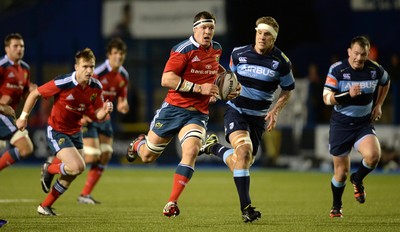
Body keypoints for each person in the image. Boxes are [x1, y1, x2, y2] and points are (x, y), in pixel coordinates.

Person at [126, 11, 238, 217]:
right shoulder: (182, 50)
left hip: (196, 114)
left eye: (211, 28)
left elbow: (214, 68)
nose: (207, 32)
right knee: (148, 156)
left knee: (192, 151)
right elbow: (166, 79)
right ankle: (138, 143)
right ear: (195, 29)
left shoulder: (216, 49)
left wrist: (228, 82)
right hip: (173, 110)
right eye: (203, 28)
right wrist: (200, 88)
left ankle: (171, 202)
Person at [199, 16, 295, 222]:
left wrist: (276, 110)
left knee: (242, 162)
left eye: (267, 34)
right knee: (244, 152)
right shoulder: (238, 53)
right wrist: (218, 91)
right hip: (237, 111)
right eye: (259, 32)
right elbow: (228, 79)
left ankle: (213, 147)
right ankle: (247, 208)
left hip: (258, 118)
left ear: (274, 38)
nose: (261, 37)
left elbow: (288, 90)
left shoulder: (282, 63)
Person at [16, 48, 113, 216]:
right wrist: (23, 117)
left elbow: (97, 114)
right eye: (85, 66)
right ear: (76, 67)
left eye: (92, 66)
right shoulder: (63, 82)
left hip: (76, 132)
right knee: (77, 166)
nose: (89, 70)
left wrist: (105, 111)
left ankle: (44, 206)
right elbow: (34, 94)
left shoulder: (96, 86)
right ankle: (49, 168)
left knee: (74, 172)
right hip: (57, 131)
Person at [322, 36, 390, 218]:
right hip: (341, 125)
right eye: (356, 54)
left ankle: (357, 179)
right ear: (349, 52)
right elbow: (327, 98)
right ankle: (337, 206)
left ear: (368, 54)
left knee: (374, 156)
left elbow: (386, 81)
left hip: (362, 124)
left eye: (364, 55)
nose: (359, 58)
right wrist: (347, 95)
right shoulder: (337, 69)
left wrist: (379, 104)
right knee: (341, 173)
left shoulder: (374, 69)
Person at [77, 38, 129, 204]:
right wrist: (82, 113)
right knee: (91, 158)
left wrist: (123, 104)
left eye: (121, 54)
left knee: (105, 155)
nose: (118, 57)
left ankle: (84, 195)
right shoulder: (98, 71)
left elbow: (122, 97)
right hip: (89, 117)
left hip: (105, 119)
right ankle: (55, 161)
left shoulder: (123, 75)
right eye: (115, 53)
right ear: (109, 55)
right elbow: (81, 90)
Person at [0, 33, 36, 172]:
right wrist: (2, 108)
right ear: (7, 49)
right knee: (26, 147)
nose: (19, 49)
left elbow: (25, 95)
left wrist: (32, 93)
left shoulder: (25, 68)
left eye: (22, 46)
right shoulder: (2, 66)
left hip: (8, 117)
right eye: (15, 46)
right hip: (1, 115)